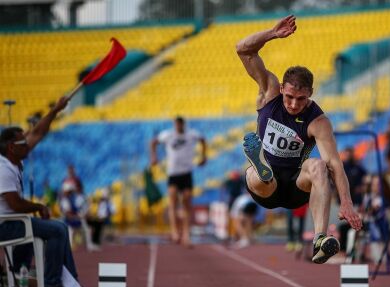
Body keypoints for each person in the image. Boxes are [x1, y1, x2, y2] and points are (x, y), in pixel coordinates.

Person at [236, 15, 362, 264]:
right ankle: (263, 169)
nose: (294, 104)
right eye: (290, 97)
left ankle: (320, 239)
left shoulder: (318, 121)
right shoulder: (269, 92)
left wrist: (346, 203)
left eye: (301, 99)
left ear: (311, 95)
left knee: (318, 165)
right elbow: (243, 49)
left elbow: (335, 163)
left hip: (295, 186)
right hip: (265, 188)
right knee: (257, 175)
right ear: (282, 88)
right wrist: (272, 33)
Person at [0, 96, 89, 287]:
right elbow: (14, 204)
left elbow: (38, 132)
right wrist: (39, 207)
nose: (28, 145)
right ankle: (51, 281)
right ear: (12, 147)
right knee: (57, 229)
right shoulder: (3, 169)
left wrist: (56, 109)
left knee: (57, 227)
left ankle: (69, 281)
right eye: (23, 142)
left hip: (14, 221)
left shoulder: (14, 156)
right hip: (5, 225)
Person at [150, 116, 207, 247]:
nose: (178, 128)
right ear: (174, 125)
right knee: (173, 201)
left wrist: (204, 156)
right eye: (176, 125)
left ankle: (186, 235)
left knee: (187, 202)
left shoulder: (191, 134)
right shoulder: (168, 135)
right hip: (173, 174)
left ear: (183, 125)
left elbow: (203, 140)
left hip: (187, 173)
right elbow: (153, 142)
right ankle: (175, 231)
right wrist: (154, 157)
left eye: (180, 125)